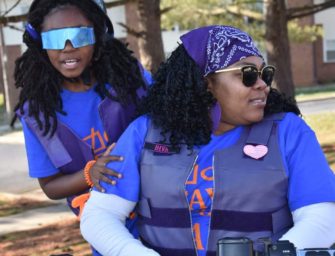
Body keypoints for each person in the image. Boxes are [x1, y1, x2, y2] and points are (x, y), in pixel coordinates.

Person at [80, 25, 335, 256]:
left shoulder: (289, 131)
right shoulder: (144, 132)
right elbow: (101, 215)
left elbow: (323, 218)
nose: (262, 85)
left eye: (264, 74)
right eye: (247, 74)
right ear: (206, 83)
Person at [13, 0, 151, 254]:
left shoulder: (130, 79)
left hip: (161, 212)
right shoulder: (38, 112)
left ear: (98, 36)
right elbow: (50, 186)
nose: (68, 47)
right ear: (40, 45)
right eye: (55, 39)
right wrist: (90, 174)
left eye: (79, 35)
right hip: (106, 227)